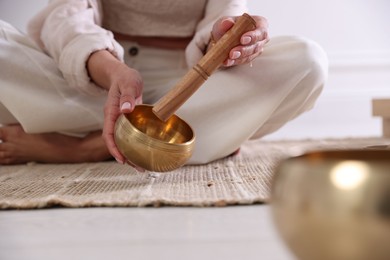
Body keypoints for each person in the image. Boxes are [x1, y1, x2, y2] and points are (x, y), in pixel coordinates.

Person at [0, 0, 328, 167]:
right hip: (98, 75)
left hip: (187, 85)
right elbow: (67, 20)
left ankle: (88, 146)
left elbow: (225, 16)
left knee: (307, 60)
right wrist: (114, 71)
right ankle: (202, 136)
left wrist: (230, 41)